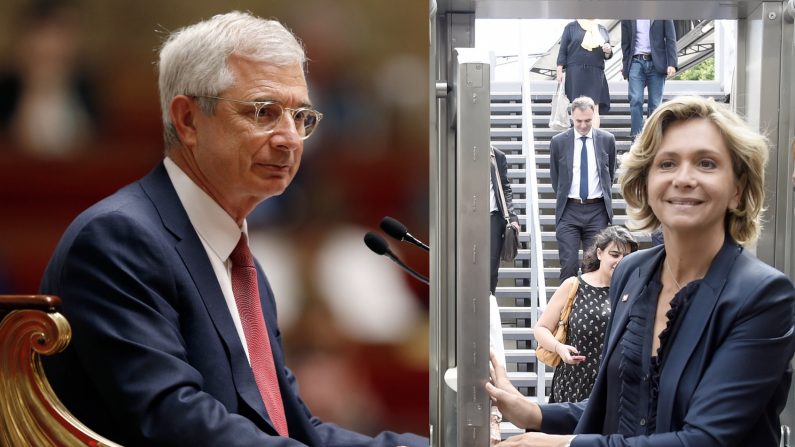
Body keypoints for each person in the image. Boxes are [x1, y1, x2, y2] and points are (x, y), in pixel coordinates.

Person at [38, 11, 427, 447]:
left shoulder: (244, 267)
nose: (290, 139)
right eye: (264, 112)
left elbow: (296, 431)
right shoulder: (119, 241)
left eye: (301, 117)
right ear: (187, 120)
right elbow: (178, 426)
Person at [486, 96, 795, 447]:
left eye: (706, 163)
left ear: (737, 190)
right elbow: (624, 405)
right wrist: (534, 413)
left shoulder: (763, 296)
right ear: (645, 183)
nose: (684, 178)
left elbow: (706, 440)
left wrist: (561, 445)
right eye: (667, 164)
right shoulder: (632, 273)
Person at [534, 226, 638, 404]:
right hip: (573, 383)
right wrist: (559, 348)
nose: (620, 261)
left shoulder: (633, 289)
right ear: (599, 253)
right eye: (614, 254)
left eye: (626, 256)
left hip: (613, 386)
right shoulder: (574, 285)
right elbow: (541, 329)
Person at [550, 96, 617, 281]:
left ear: (593, 116)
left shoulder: (607, 139)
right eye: (579, 121)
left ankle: (589, 309)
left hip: (597, 210)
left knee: (593, 266)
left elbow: (609, 174)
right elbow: (556, 178)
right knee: (569, 264)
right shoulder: (559, 142)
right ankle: (567, 308)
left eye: (588, 121)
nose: (583, 125)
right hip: (569, 210)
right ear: (572, 116)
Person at [620, 20, 678, 140]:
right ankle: (636, 140)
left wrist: (672, 63)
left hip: (656, 63)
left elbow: (670, 38)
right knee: (635, 100)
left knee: (655, 104)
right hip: (636, 61)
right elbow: (625, 43)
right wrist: (625, 66)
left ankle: (651, 140)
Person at [556, 20, 614, 129]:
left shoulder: (601, 29)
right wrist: (559, 71)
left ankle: (594, 138)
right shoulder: (571, 27)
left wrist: (608, 51)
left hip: (595, 72)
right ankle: (578, 137)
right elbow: (563, 50)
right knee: (577, 106)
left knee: (594, 107)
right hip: (575, 72)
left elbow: (607, 54)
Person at [490, 145, 520, 294]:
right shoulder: (461, 151)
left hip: (493, 218)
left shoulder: (497, 156)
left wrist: (512, 216)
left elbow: (505, 187)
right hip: (467, 219)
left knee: (491, 267)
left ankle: (488, 302)